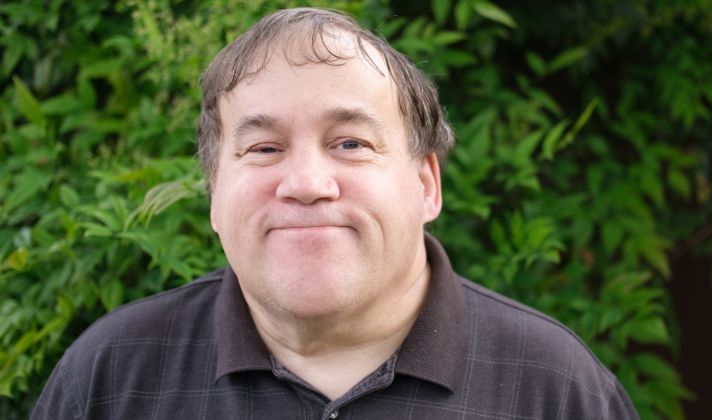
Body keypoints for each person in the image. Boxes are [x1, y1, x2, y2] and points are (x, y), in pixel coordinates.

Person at [33, 7, 638, 419]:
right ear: (214, 193)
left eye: (350, 143)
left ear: (426, 184)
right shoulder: (111, 377)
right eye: (264, 148)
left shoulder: (554, 388)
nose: (305, 184)